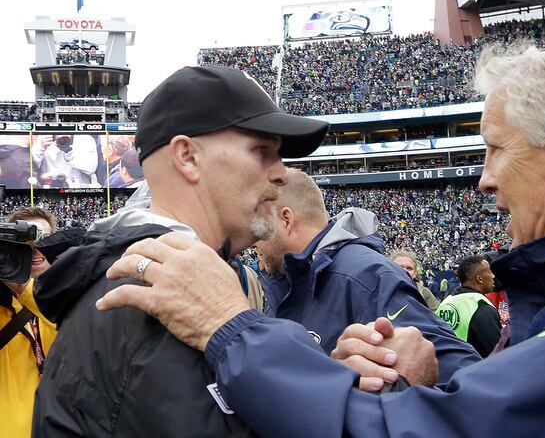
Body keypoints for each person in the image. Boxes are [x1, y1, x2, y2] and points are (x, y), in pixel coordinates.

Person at [97, 29, 545, 436]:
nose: (483, 181)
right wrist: (431, 365)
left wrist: (230, 328)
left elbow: (446, 432)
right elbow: (512, 398)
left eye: (494, 150)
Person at [32, 66, 329, 436]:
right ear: (187, 157)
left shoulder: (172, 277)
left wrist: (327, 380)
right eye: (262, 150)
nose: (282, 174)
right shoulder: (150, 293)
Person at [254, 169, 476, 388]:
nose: (252, 241)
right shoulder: (284, 281)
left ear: (286, 219)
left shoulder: (367, 275)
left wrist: (372, 394)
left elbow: (459, 373)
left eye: (259, 228)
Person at [1, 207, 58, 438]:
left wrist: (26, 289)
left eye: (44, 239)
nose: (35, 251)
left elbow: (71, 327)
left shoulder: (71, 301)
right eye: (26, 243)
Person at [435, 255, 501, 357]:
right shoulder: (480, 306)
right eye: (489, 271)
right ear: (479, 279)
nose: (493, 276)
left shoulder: (445, 303)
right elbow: (497, 352)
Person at [32, 134, 98, 187]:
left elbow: (91, 169)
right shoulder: (43, 138)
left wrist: (69, 151)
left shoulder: (84, 138)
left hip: (77, 188)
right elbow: (30, 169)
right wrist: (40, 147)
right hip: (50, 188)